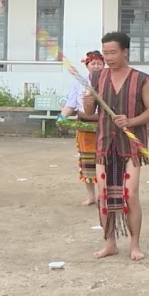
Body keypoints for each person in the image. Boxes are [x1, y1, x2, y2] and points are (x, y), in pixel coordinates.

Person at [84, 31, 149, 261]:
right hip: (104, 144)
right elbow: (89, 113)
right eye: (105, 52)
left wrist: (131, 121)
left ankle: (134, 245)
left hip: (130, 146)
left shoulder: (141, 79)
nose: (108, 57)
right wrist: (88, 104)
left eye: (113, 52)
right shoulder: (97, 78)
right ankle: (110, 244)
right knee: (104, 195)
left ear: (125, 52)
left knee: (131, 194)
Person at [61, 51, 104, 207]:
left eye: (100, 63)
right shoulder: (79, 82)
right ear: (87, 66)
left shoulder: (109, 82)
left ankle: (102, 195)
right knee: (87, 163)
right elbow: (70, 104)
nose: (97, 66)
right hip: (84, 127)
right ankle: (91, 196)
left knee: (104, 161)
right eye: (93, 63)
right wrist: (62, 117)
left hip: (103, 127)